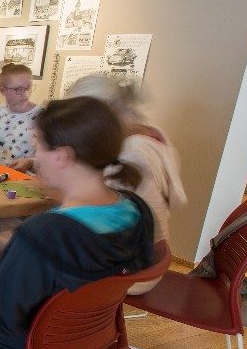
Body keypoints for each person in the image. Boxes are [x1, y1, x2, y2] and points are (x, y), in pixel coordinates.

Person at [0, 97, 155, 349]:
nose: (35, 159)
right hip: (86, 338)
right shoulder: (137, 210)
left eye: (37, 149)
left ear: (62, 156)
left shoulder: (43, 233)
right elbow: (86, 262)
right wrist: (20, 247)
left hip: (16, 344)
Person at [66, 74, 187, 294]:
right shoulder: (150, 134)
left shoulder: (132, 152)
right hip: (145, 253)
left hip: (132, 267)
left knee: (37, 253)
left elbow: (98, 213)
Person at [0, 63, 41, 171]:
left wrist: (31, 162)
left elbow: (52, 160)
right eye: (18, 89)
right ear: (2, 90)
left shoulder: (42, 116)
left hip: (24, 179)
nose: (26, 94)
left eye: (29, 87)